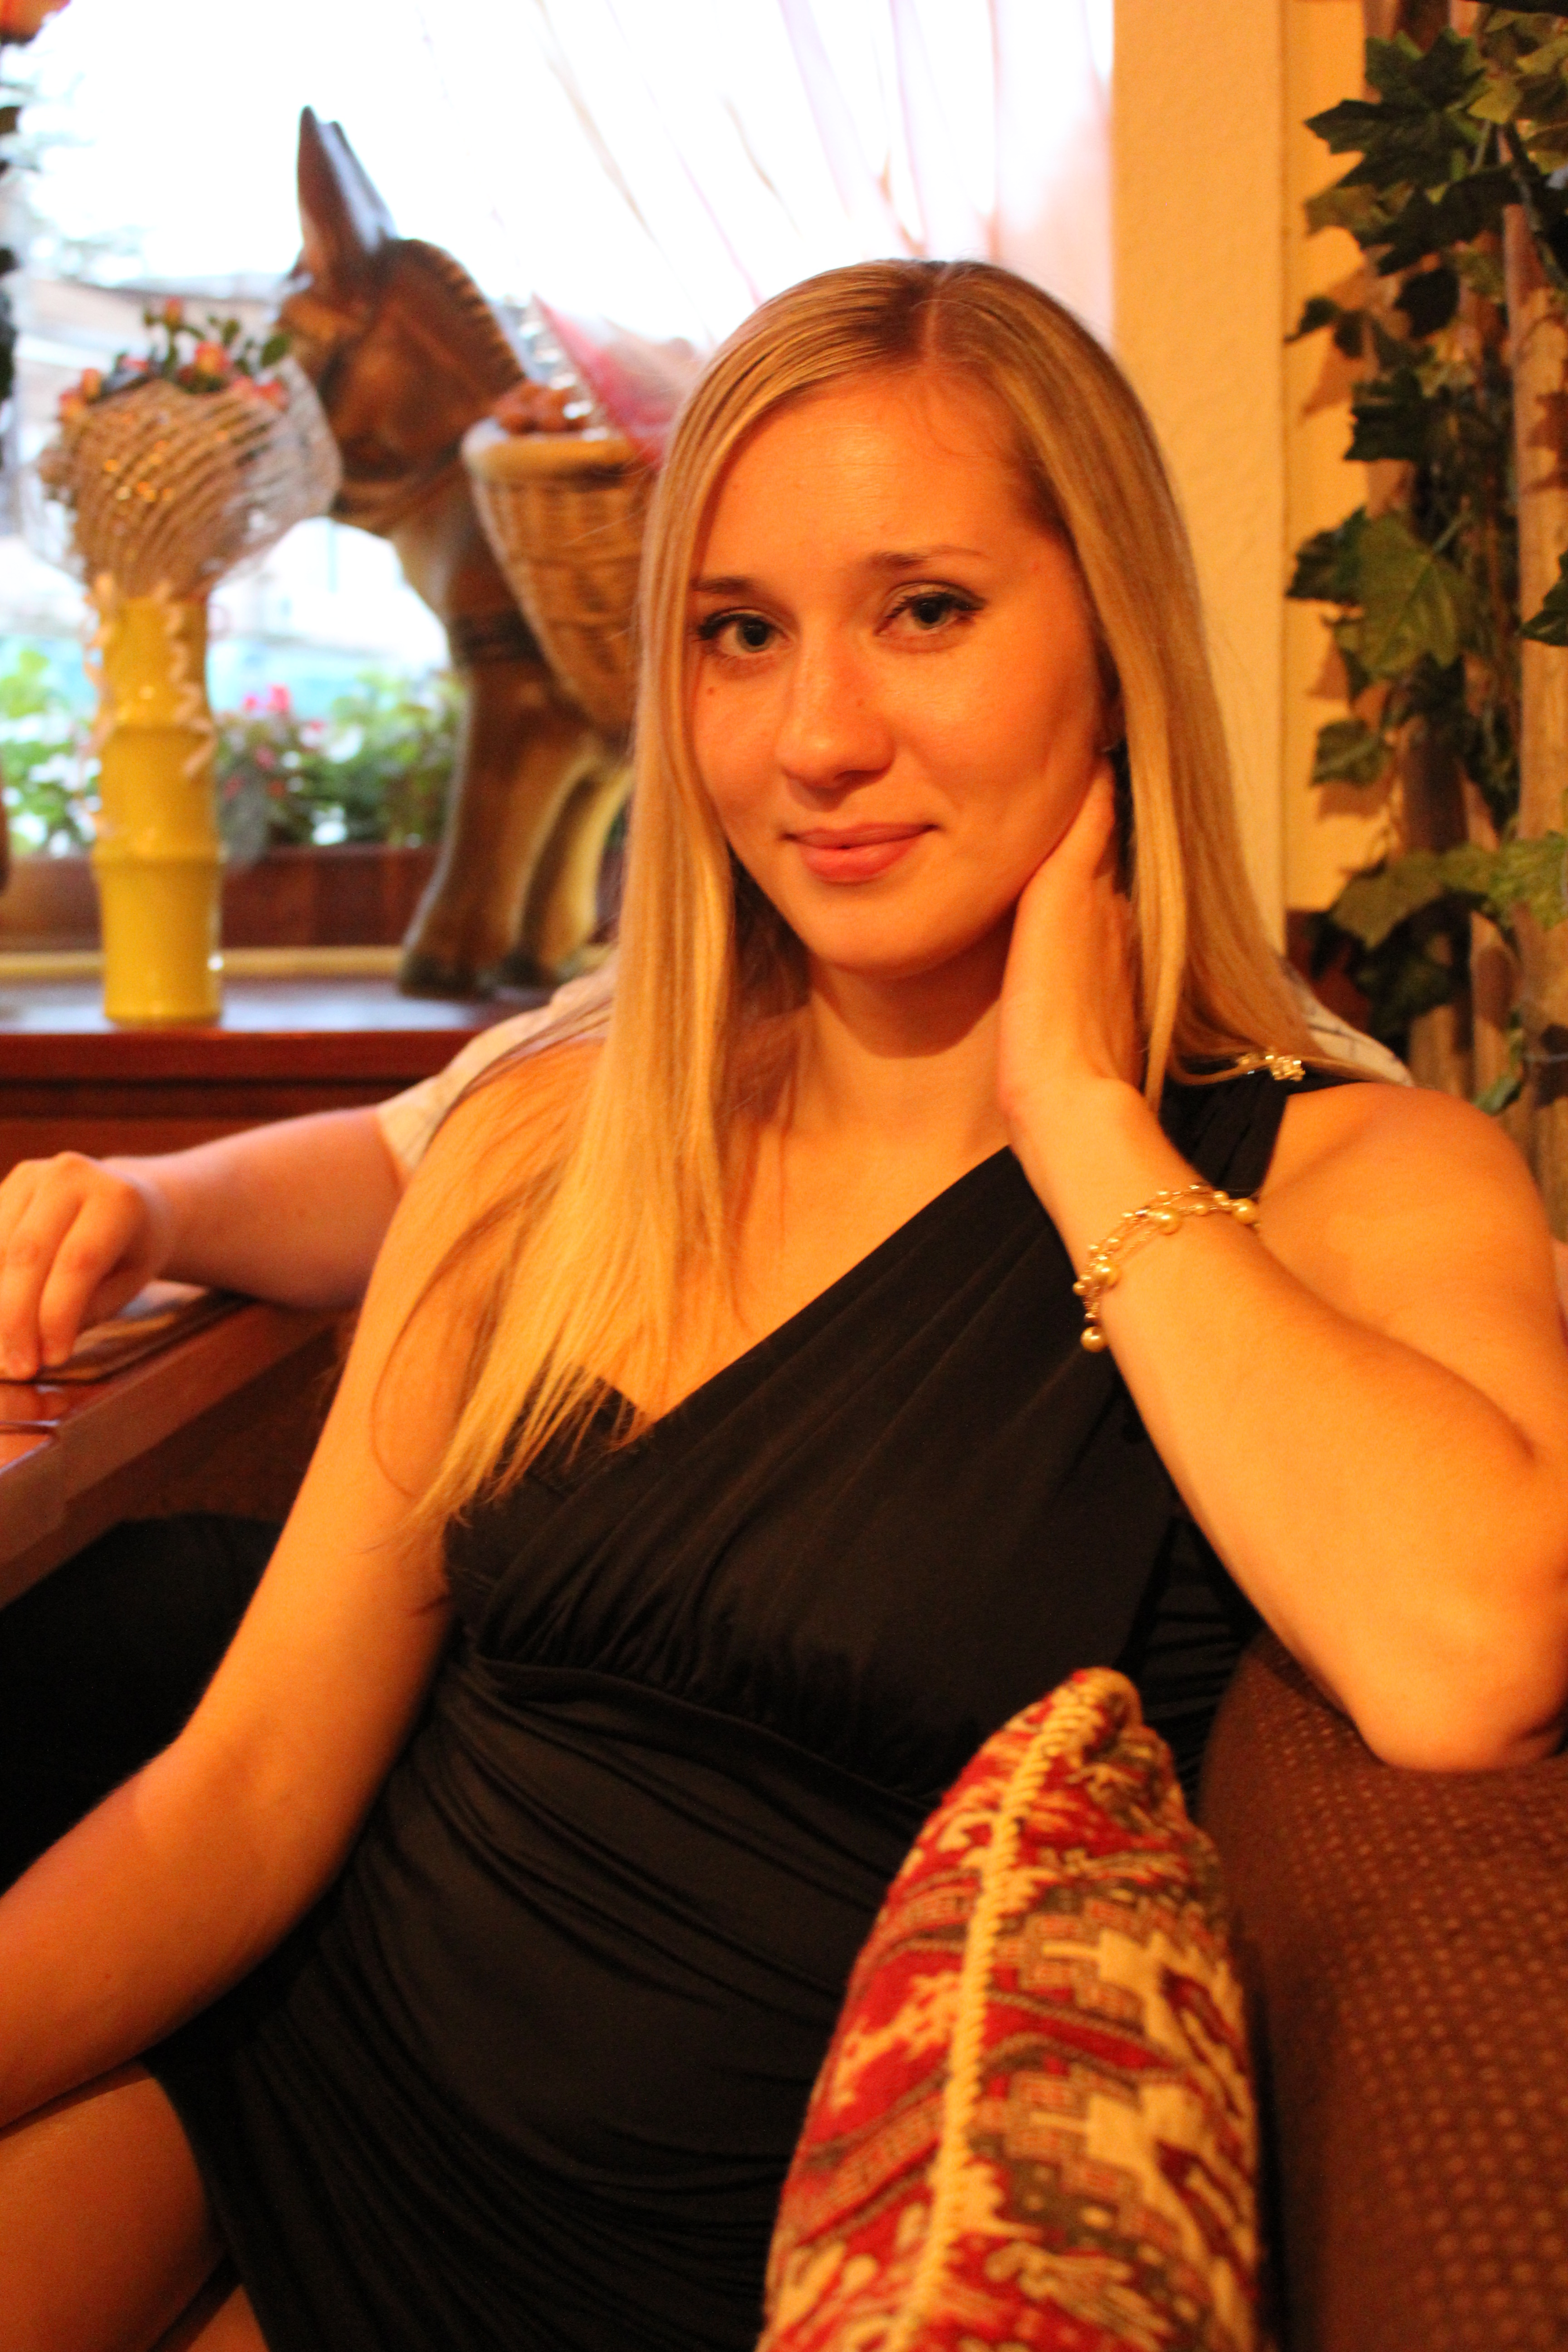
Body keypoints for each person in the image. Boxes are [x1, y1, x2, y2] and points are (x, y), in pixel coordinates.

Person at [4, 257, 1568, 2352]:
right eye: (742, 634)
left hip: (712, 2273)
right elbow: (246, 1802)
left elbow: (1468, 1659)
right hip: (289, 2078)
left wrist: (1080, 1116)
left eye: (925, 610)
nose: (819, 740)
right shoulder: (554, 1137)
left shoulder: (1349, 1176)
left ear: (1112, 648)